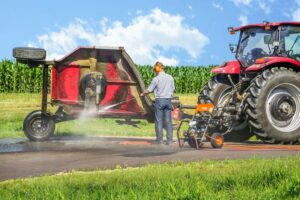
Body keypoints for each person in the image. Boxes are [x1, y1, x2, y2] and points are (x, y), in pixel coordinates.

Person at [141, 61, 175, 145]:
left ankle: (160, 141)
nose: (155, 72)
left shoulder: (156, 79)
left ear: (157, 69)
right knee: (168, 121)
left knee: (159, 121)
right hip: (168, 101)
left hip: (160, 101)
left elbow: (149, 90)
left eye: (155, 70)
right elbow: (173, 88)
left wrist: (142, 94)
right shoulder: (170, 77)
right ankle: (169, 140)